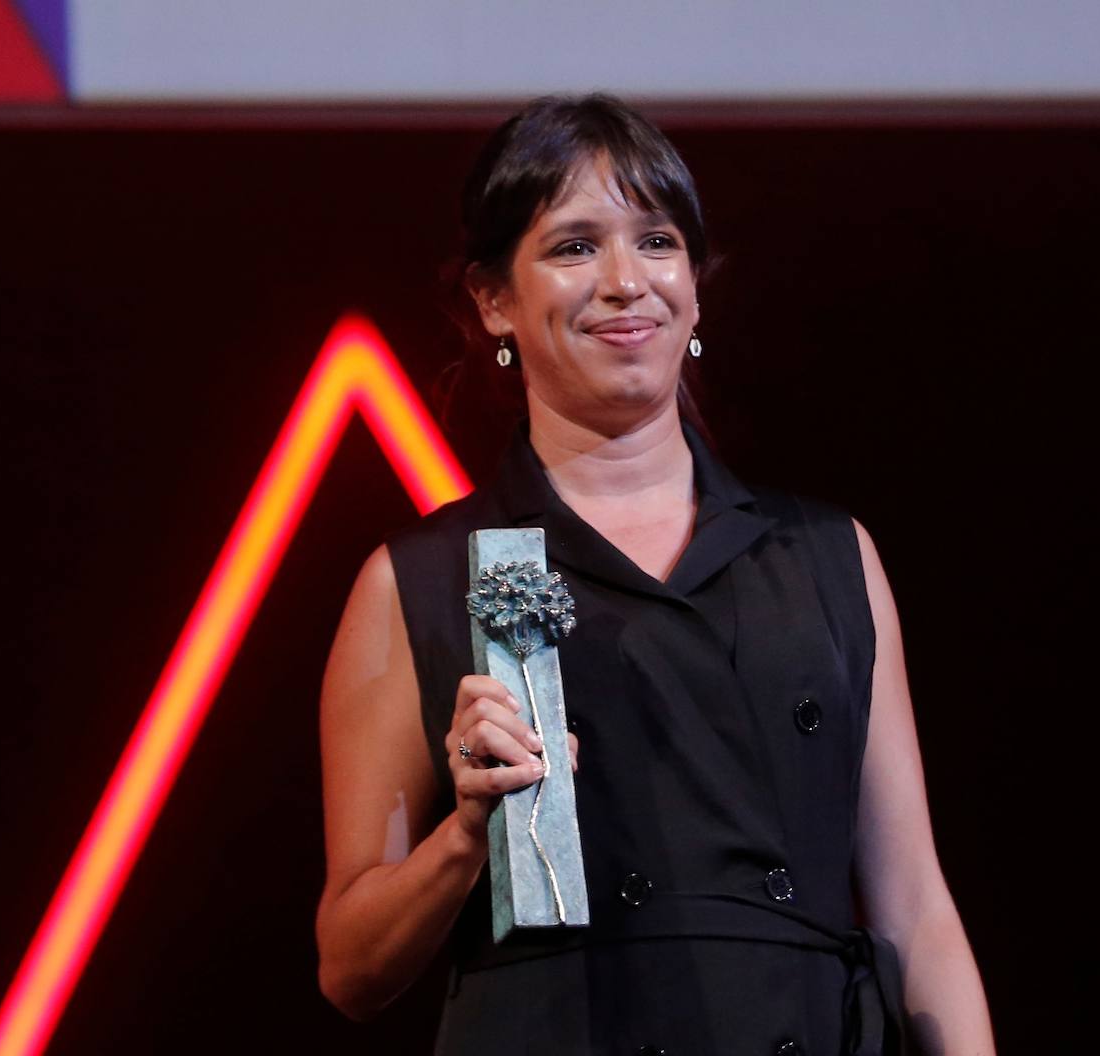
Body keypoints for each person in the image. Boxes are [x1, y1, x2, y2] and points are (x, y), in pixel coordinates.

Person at [316, 94, 995, 1055]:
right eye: (575, 247)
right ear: (494, 299)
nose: (627, 281)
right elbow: (351, 967)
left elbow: (915, 909)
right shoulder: (418, 581)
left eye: (658, 241)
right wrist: (468, 833)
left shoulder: (827, 555)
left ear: (696, 287)